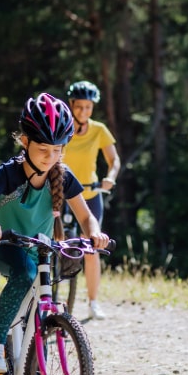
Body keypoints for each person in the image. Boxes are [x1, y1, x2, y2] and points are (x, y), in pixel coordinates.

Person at [0, 93, 110, 375]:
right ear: (24, 141)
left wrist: (95, 234)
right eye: (43, 150)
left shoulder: (63, 176)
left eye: (57, 150)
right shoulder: (9, 173)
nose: (51, 158)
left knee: (41, 310)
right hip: (3, 245)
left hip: (40, 249)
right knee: (25, 275)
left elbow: (85, 216)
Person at [62, 80, 121, 320]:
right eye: (79, 107)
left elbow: (113, 160)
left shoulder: (99, 130)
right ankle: (50, 293)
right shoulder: (63, 128)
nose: (83, 112)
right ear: (71, 105)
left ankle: (93, 302)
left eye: (88, 107)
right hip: (63, 194)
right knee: (54, 241)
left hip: (90, 194)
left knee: (92, 246)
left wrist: (110, 178)